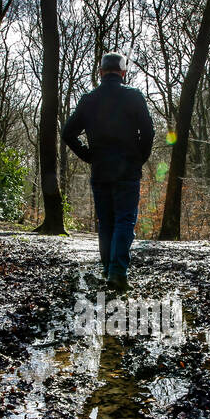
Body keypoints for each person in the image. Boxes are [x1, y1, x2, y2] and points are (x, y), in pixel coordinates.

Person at [62, 52, 155, 292]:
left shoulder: (89, 99)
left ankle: (108, 269)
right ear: (123, 74)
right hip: (127, 170)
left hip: (101, 169)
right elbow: (148, 132)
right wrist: (139, 159)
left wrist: (88, 156)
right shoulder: (134, 97)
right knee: (125, 220)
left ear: (101, 72)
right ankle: (117, 272)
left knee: (106, 223)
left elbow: (67, 133)